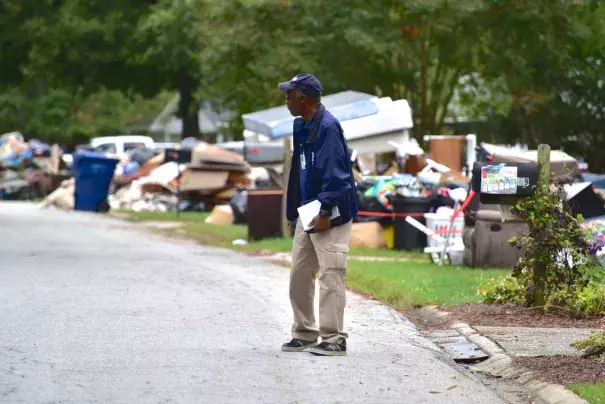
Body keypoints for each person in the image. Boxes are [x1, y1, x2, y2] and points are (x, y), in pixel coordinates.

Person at [278, 73, 358, 356]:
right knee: (299, 274)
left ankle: (334, 338)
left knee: (331, 273)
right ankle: (305, 333)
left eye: (289, 94)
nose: (286, 99)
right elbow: (300, 173)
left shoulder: (328, 127)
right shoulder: (302, 125)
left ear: (302, 97)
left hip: (331, 211)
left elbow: (338, 178)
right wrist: (294, 213)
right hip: (308, 211)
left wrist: (325, 212)